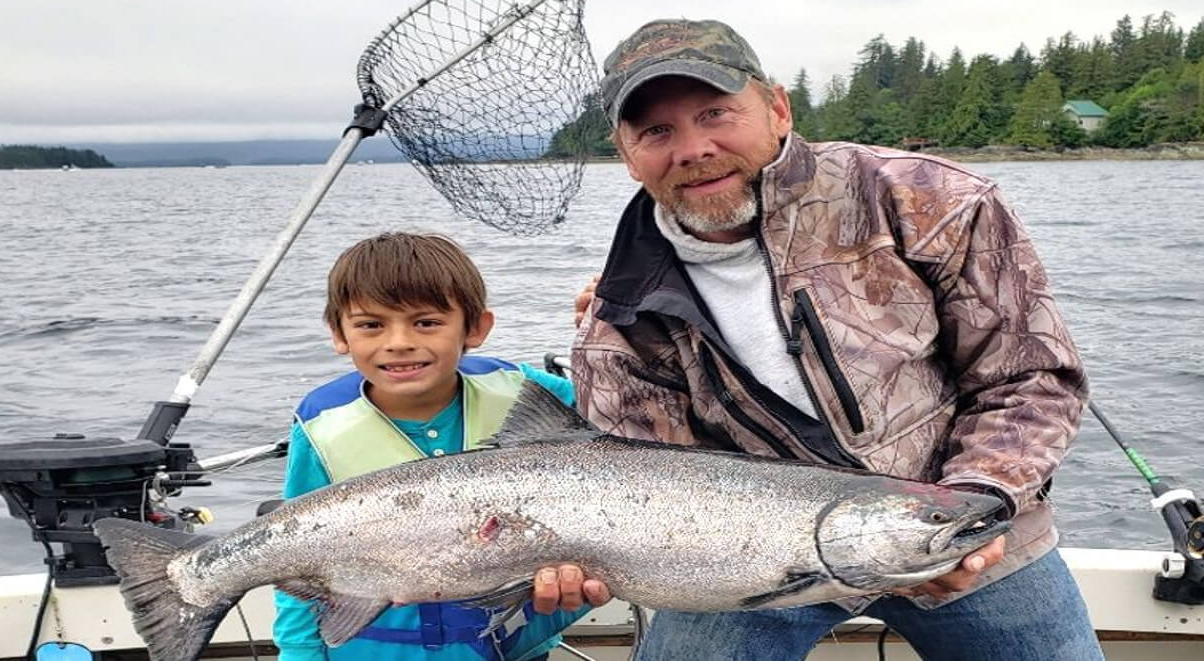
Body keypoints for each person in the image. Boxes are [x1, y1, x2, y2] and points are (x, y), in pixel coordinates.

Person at [560, 18, 1104, 661]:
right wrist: (578, 563)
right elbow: (639, 488)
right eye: (656, 131)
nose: (694, 148)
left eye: (716, 112)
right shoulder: (619, 318)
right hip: (749, 572)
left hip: (966, 533)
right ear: (626, 155)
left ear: (778, 109)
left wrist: (978, 504)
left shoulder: (928, 200)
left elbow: (1031, 378)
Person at [273, 232, 604, 661]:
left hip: (514, 646)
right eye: (371, 325)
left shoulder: (536, 395)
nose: (398, 342)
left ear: (477, 328)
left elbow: (635, 419)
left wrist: (620, 329)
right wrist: (299, 654)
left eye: (426, 322)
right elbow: (292, 555)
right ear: (339, 334)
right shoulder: (321, 426)